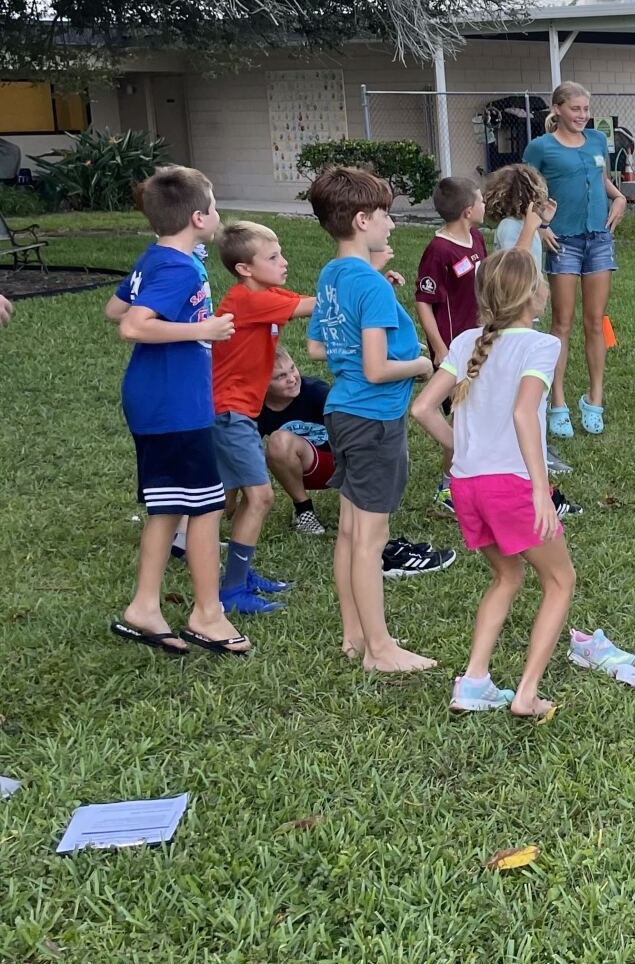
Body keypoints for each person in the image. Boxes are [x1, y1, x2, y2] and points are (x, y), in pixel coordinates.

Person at [410, 252, 571, 718]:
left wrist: (461, 451)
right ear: (533, 294)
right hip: (512, 487)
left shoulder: (464, 341)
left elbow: (422, 410)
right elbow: (524, 413)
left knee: (507, 574)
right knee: (560, 581)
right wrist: (541, 489)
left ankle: (474, 682)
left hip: (467, 487)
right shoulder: (541, 345)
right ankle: (526, 695)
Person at [106, 167, 251, 657]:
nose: (216, 213)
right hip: (172, 407)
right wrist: (200, 330)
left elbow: (114, 305)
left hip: (161, 401)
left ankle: (145, 606)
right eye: (212, 206)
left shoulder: (160, 257)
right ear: (197, 217)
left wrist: (181, 317)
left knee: (169, 506)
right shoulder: (179, 267)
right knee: (206, 507)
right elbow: (129, 324)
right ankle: (208, 614)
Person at [308, 166, 439, 673]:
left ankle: (354, 635)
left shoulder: (332, 275)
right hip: (373, 418)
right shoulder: (371, 286)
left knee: (349, 531)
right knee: (370, 538)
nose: (391, 224)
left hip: (343, 411)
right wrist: (425, 364)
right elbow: (377, 368)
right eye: (385, 215)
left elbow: (318, 347)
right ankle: (380, 650)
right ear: (362, 220)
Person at [259, 349, 460, 573]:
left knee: (358, 534)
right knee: (278, 441)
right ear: (262, 383)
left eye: (293, 369)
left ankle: (381, 548)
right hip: (307, 466)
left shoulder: (315, 392)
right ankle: (304, 511)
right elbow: (240, 457)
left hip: (343, 461)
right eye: (280, 377)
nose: (292, 378)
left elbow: (350, 425)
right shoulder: (257, 408)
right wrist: (232, 503)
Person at [210, 220, 313, 614]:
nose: (284, 261)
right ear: (244, 269)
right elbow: (312, 306)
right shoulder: (249, 301)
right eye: (273, 257)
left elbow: (302, 298)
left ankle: (240, 576)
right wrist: (364, 278)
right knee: (261, 497)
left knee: (250, 497)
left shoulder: (263, 292)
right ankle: (233, 591)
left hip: (238, 414)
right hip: (229, 414)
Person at [521, 80, 629, 437]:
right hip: (562, 240)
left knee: (595, 321)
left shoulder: (597, 141)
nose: (582, 115)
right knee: (561, 324)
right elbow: (524, 190)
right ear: (557, 110)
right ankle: (558, 403)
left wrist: (619, 199)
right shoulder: (541, 147)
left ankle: (594, 399)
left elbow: (601, 180)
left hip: (598, 238)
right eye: (575, 109)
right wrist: (538, 228)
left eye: (585, 109)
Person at [414, 176, 488, 516]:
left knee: (476, 412)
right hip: (454, 348)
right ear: (468, 210)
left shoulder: (477, 238)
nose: (486, 206)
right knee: (461, 416)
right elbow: (424, 302)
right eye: (482, 201)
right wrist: (439, 347)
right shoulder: (438, 250)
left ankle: (472, 475)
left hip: (480, 342)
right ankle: (448, 488)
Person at [483, 163, 556, 274]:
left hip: (529, 285)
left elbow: (533, 244)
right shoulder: (509, 225)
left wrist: (544, 223)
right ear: (531, 194)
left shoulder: (525, 222)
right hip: (519, 287)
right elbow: (515, 261)